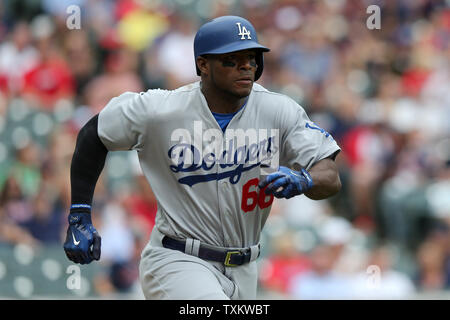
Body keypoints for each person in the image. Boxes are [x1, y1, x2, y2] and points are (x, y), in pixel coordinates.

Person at [63, 15, 342, 300]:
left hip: (246, 267)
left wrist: (306, 179)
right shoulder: (161, 110)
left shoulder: (279, 110)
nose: (246, 65)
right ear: (203, 64)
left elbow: (330, 175)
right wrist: (80, 213)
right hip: (177, 258)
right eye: (232, 59)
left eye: (252, 57)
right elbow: (92, 134)